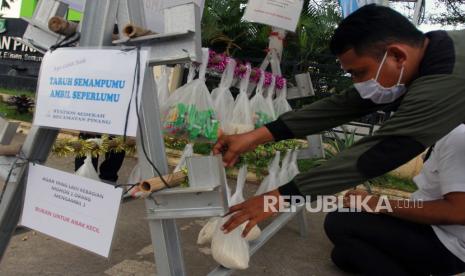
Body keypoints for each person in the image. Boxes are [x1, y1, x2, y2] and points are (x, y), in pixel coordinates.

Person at [214, 4, 465, 249]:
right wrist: (255, 136)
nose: (358, 83)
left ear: (398, 55)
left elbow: (381, 150)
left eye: (360, 72)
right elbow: (343, 105)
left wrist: (278, 198)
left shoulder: (444, 80)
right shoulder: (430, 54)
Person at [324, 124, 465, 275]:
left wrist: (378, 204)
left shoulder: (458, 136)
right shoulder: (446, 133)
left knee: (340, 221)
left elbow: (458, 212)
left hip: (448, 245)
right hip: (432, 230)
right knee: (342, 255)